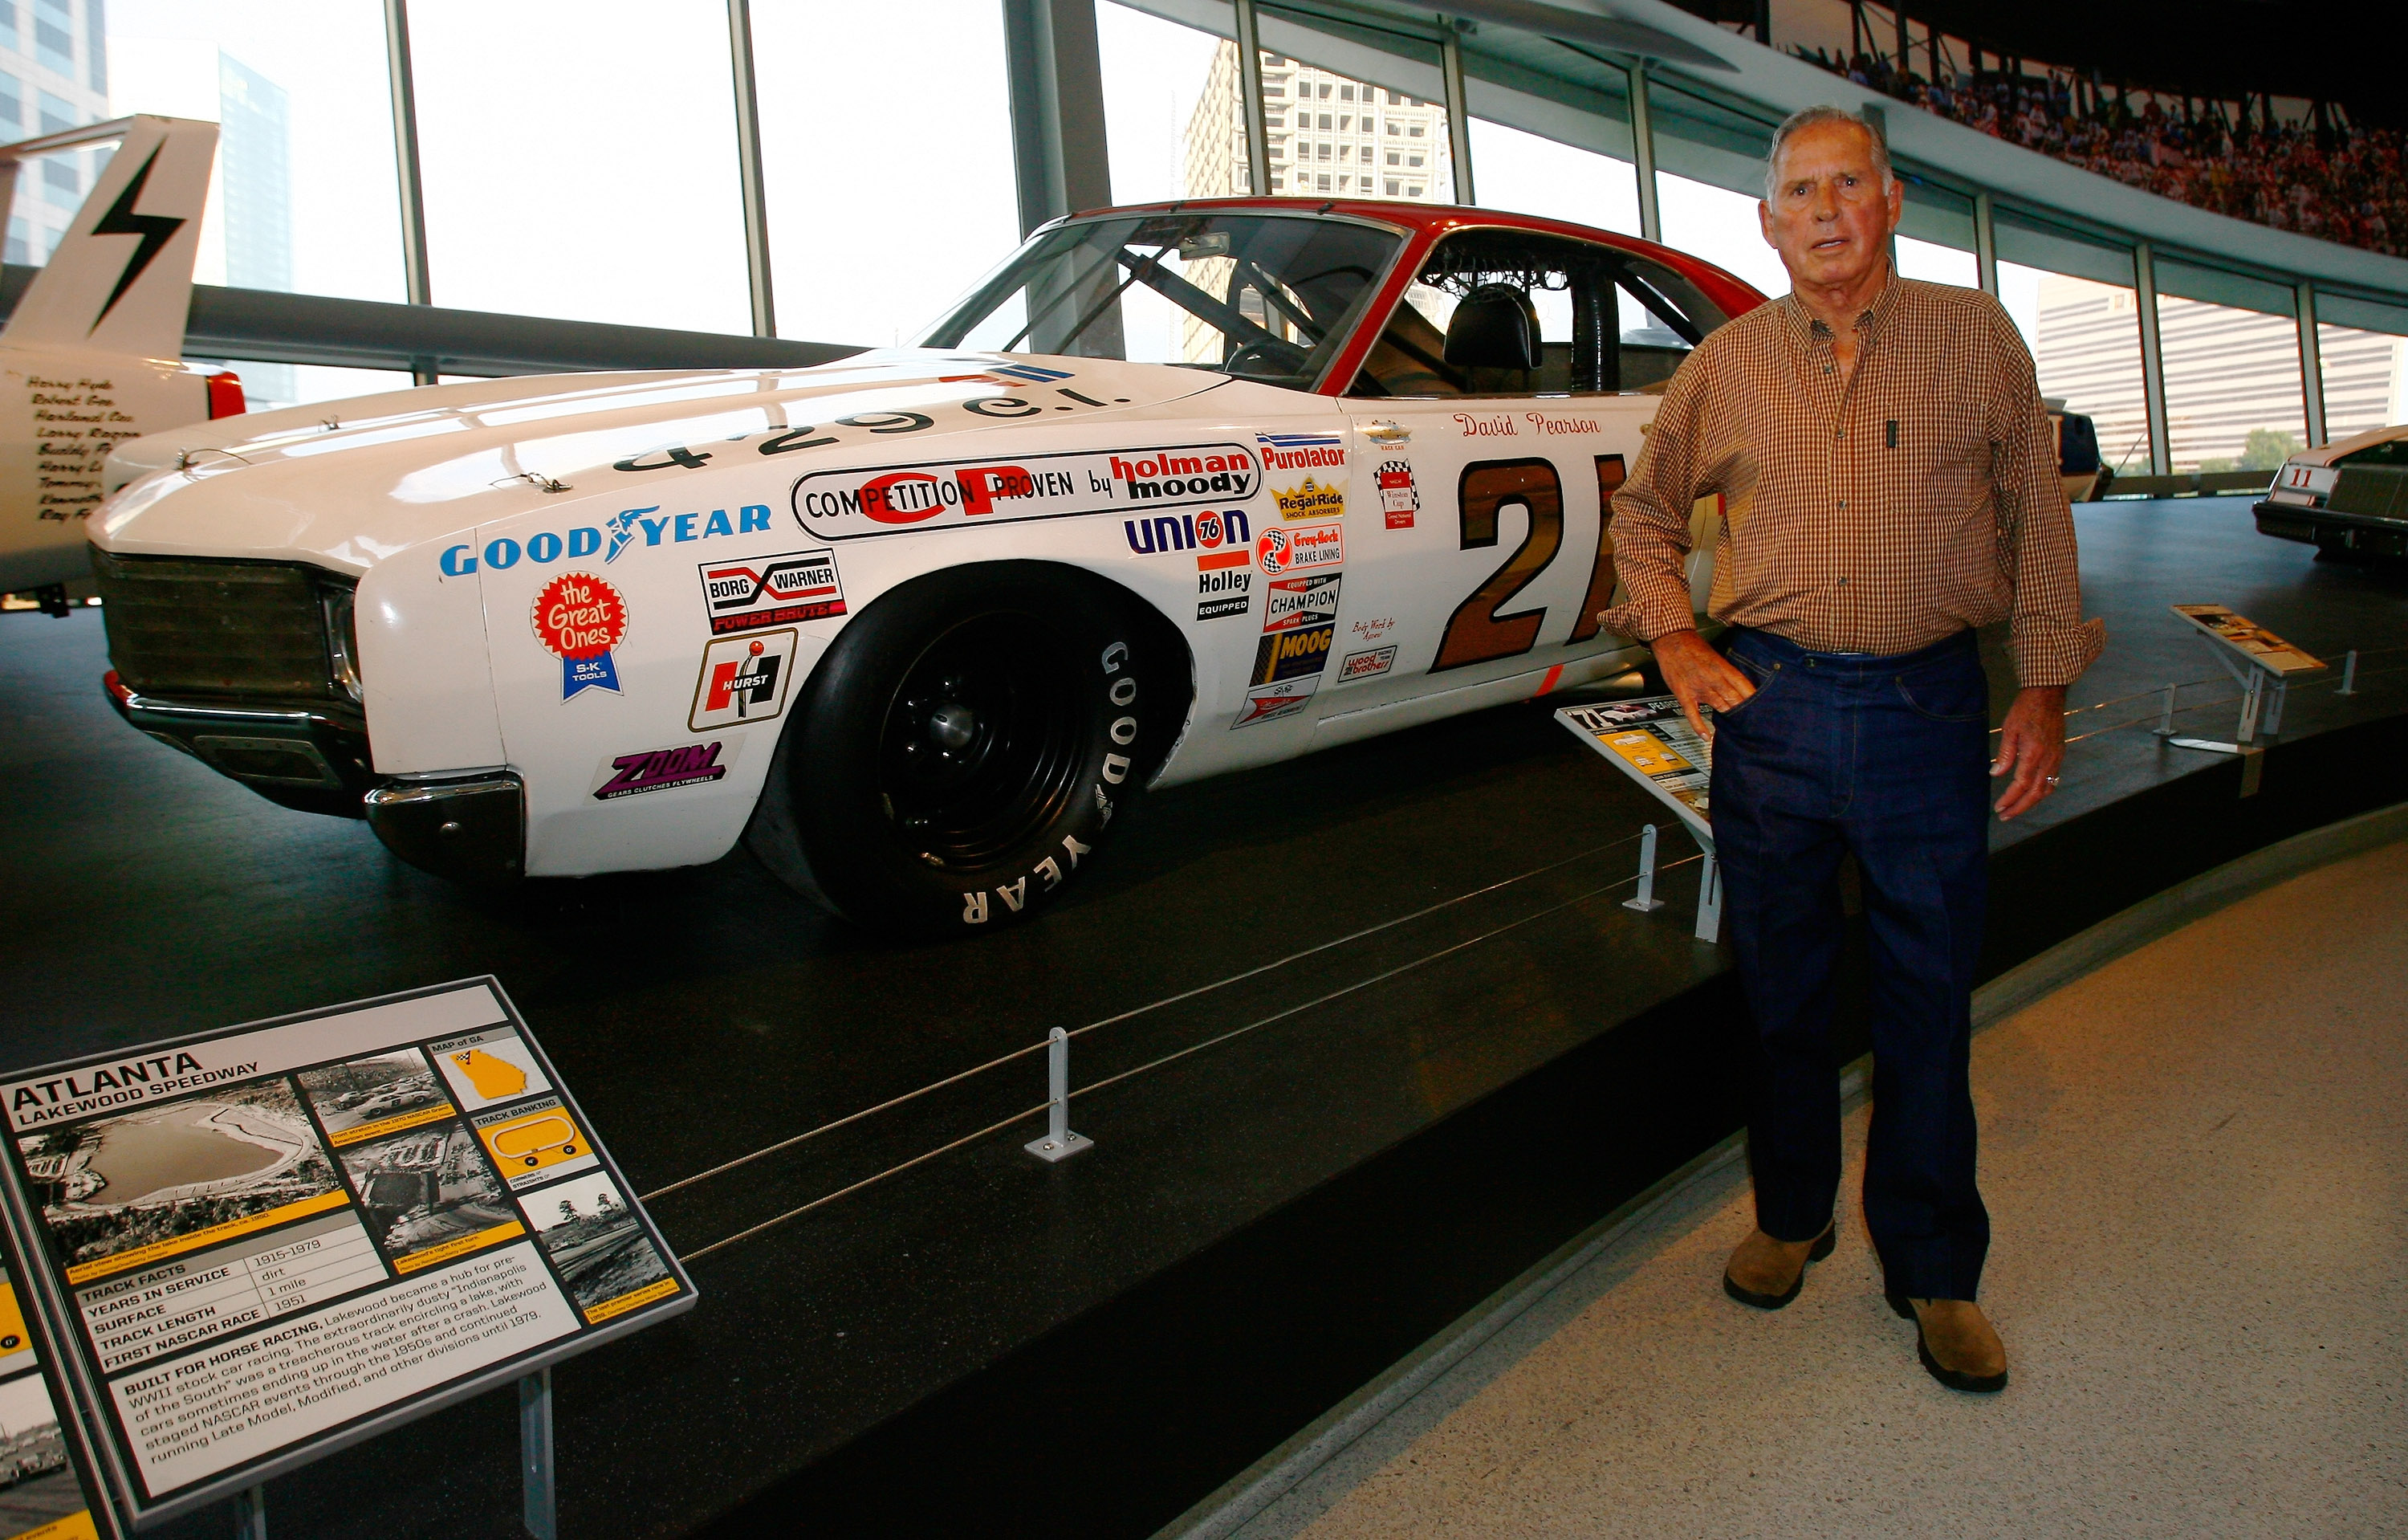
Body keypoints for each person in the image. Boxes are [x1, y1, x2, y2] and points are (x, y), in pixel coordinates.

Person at [1597, 104, 2102, 1393]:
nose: (1824, 209)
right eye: (1799, 192)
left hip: (1930, 710)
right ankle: (1792, 1212)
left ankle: (1935, 1267)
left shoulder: (1974, 337)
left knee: (1929, 993)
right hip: (1772, 712)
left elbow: (2037, 521)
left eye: (1848, 184)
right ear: (1768, 222)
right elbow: (1643, 516)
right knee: (1782, 986)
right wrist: (1674, 643)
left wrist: (2041, 686)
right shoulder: (1727, 363)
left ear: (1890, 201)